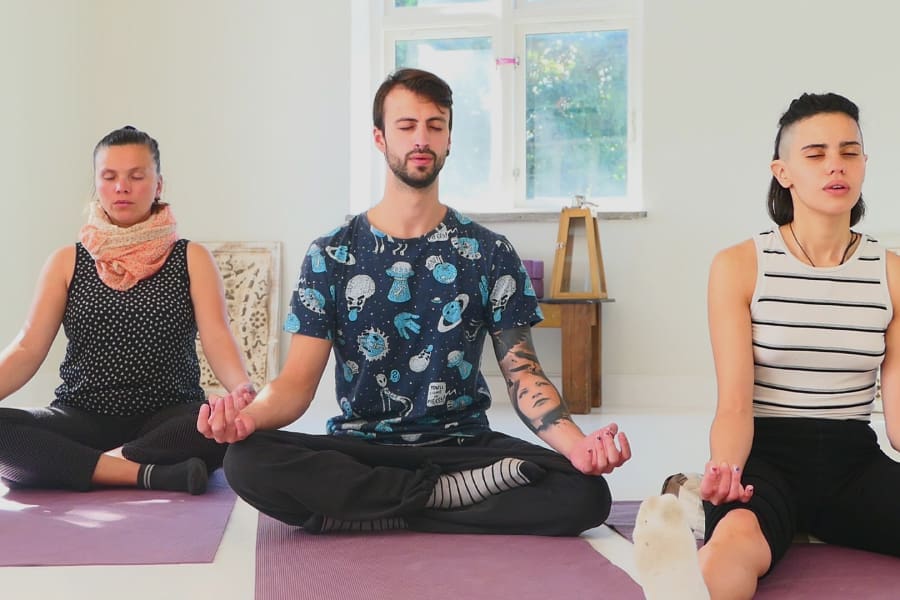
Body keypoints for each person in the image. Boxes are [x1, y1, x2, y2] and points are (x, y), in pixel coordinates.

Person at [199, 68, 631, 535]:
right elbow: (295, 385)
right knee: (246, 461)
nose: (421, 139)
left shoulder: (490, 252)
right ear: (380, 138)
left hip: (461, 445)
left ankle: (369, 508)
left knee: (585, 494)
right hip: (364, 446)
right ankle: (442, 498)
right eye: (406, 126)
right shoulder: (331, 254)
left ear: (449, 140)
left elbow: (524, 373)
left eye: (435, 125)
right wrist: (246, 419)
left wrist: (577, 446)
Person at [637, 93, 900, 600]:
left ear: (865, 164)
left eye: (849, 152)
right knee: (738, 542)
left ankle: (694, 499)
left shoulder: (891, 274)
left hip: (854, 463)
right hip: (764, 459)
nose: (835, 166)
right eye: (816, 154)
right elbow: (735, 402)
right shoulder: (739, 265)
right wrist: (727, 472)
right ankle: (685, 584)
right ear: (783, 171)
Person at [0, 126, 254, 496]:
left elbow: (217, 335)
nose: (123, 187)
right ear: (97, 184)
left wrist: (242, 391)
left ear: (159, 184)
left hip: (169, 416)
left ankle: (89, 464)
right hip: (81, 413)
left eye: (137, 176)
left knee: (215, 430)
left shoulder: (191, 258)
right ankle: (143, 474)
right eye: (110, 177)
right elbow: (27, 347)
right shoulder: (67, 261)